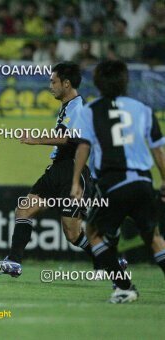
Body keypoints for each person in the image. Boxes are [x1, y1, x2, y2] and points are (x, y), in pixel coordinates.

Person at [70, 60, 165, 303]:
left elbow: (83, 146)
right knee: (153, 237)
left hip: (113, 183)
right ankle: (124, 286)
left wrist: (75, 183)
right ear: (125, 81)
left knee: (92, 232)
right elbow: (159, 151)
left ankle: (124, 287)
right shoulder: (143, 109)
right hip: (143, 182)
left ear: (98, 83)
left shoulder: (90, 111)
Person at [0, 62, 94, 277]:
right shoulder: (67, 106)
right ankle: (14, 261)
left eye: (53, 82)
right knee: (24, 209)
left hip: (72, 171)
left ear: (66, 83)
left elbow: (72, 139)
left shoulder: (79, 107)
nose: (50, 86)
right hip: (57, 169)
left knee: (73, 234)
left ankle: (112, 261)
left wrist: (36, 140)